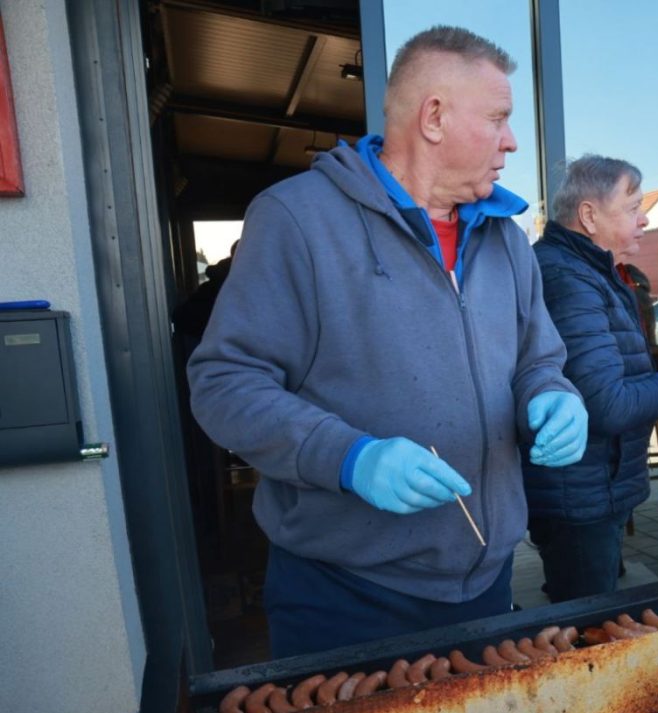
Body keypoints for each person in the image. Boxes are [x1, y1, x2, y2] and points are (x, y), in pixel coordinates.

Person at [188, 26, 587, 657]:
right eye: (498, 119)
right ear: (434, 117)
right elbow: (225, 384)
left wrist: (553, 394)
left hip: (485, 580)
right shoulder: (297, 218)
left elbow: (540, 357)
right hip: (345, 593)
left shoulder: (507, 238)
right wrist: (348, 458)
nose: (511, 141)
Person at [524, 155, 658, 601]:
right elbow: (604, 404)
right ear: (588, 216)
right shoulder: (568, 277)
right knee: (585, 626)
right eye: (632, 207)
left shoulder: (588, 270)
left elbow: (602, 382)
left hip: (590, 490)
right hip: (578, 498)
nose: (644, 219)